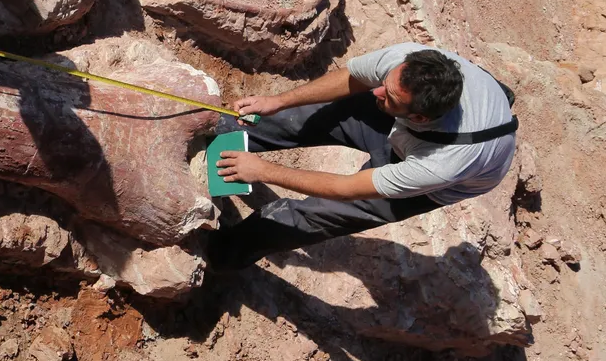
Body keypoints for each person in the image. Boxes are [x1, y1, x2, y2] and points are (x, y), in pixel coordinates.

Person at [206, 42, 518, 270]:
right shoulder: (405, 66)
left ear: (419, 118)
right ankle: (216, 132)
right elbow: (352, 78)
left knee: (320, 213)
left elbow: (345, 189)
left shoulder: (443, 164)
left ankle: (220, 253)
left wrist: (263, 171)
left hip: (439, 162)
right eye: (385, 83)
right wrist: (277, 101)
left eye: (389, 96)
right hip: (413, 122)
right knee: (314, 115)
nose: (376, 92)